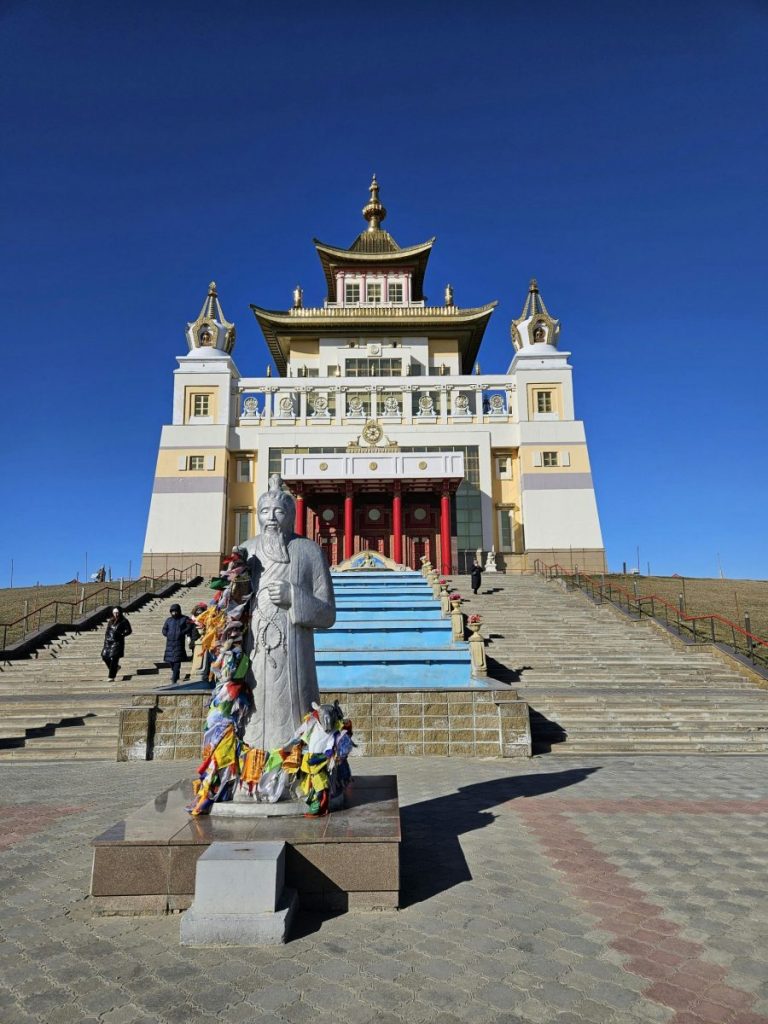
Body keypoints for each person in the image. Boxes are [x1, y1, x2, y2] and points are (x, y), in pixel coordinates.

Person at [238, 473, 336, 754]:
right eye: (265, 511)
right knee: (251, 716)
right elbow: (232, 608)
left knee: (296, 712)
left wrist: (294, 596)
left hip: (295, 653)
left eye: (279, 511)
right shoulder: (246, 551)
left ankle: (298, 768)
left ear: (292, 515)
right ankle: (251, 770)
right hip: (253, 652)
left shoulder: (309, 551)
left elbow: (328, 613)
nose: (271, 518)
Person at [162, 603, 199, 685]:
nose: (174, 613)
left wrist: (182, 632)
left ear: (178, 611)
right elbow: (164, 629)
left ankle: (174, 679)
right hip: (170, 644)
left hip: (179, 643)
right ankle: (176, 673)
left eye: (175, 611)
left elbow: (190, 625)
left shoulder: (184, 618)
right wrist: (167, 634)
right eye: (172, 611)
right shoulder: (168, 620)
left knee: (177, 661)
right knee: (170, 661)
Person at [101, 607, 132, 681]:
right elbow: (107, 632)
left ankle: (111, 676)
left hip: (117, 642)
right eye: (114, 613)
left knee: (114, 658)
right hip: (108, 642)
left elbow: (129, 630)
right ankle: (116, 668)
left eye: (117, 612)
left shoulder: (124, 621)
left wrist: (122, 634)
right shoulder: (110, 621)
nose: (116, 614)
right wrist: (106, 641)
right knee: (104, 656)